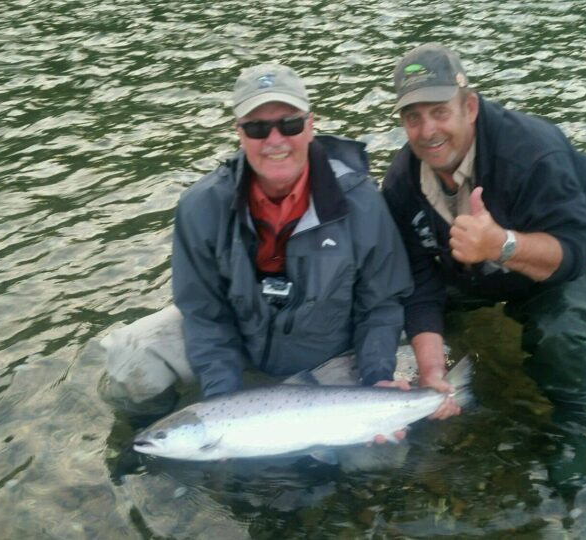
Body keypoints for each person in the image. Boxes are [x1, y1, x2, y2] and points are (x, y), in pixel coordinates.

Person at [101, 63, 413, 426]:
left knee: (374, 457)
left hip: (325, 358)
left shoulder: (361, 202)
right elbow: (205, 314)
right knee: (130, 358)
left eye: (290, 124)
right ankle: (146, 441)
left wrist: (377, 379)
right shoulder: (200, 206)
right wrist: (222, 405)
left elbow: (381, 307)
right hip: (240, 341)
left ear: (311, 126)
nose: (275, 140)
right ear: (239, 133)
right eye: (257, 127)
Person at [381, 44, 586, 416]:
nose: (428, 131)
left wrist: (500, 245)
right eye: (413, 117)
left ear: (469, 108)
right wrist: (433, 373)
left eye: (439, 112)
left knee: (558, 330)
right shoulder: (402, 184)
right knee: (425, 307)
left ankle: (573, 419)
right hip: (489, 243)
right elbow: (420, 283)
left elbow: (575, 250)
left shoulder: (531, 154)